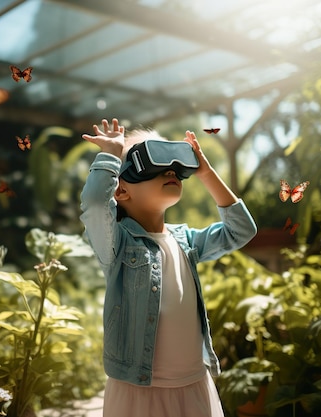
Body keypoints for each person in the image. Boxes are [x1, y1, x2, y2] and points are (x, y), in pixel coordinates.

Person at [80, 118, 257, 417]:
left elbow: (240, 231)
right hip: (140, 390)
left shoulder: (185, 240)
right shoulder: (117, 245)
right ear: (122, 191)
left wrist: (206, 172)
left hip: (194, 382)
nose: (171, 169)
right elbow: (96, 205)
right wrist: (111, 154)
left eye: (174, 163)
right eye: (153, 160)